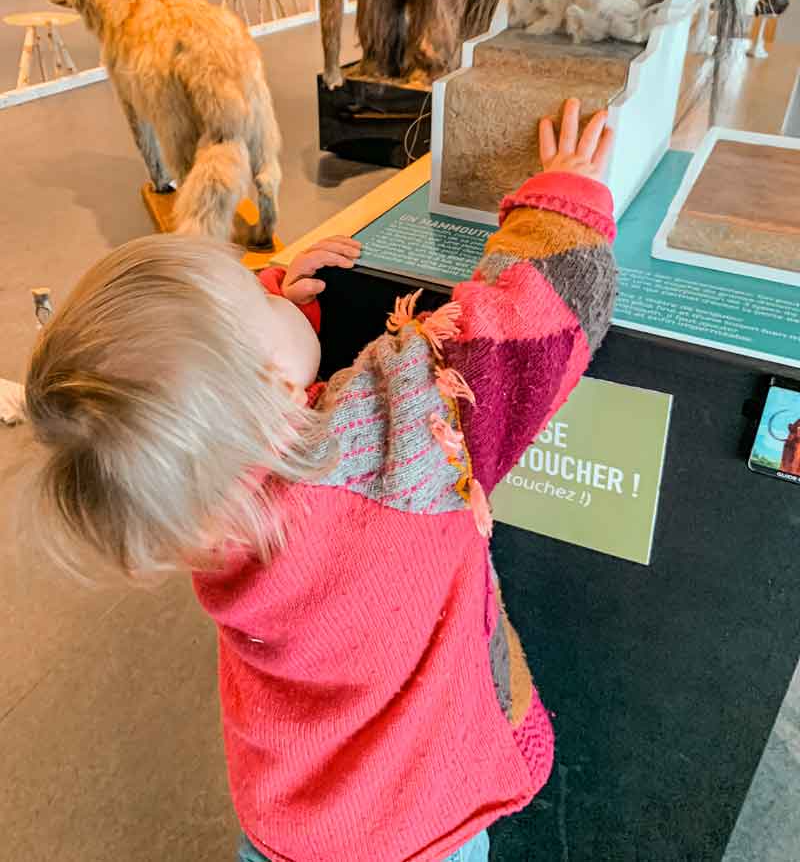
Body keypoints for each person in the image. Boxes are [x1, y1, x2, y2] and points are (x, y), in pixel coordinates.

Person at [23, 99, 616, 862]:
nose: (271, 282)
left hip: (286, 830)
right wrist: (560, 200)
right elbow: (535, 324)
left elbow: (208, 415)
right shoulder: (399, 437)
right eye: (252, 291)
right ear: (264, 387)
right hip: (417, 826)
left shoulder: (200, 511)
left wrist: (264, 306)